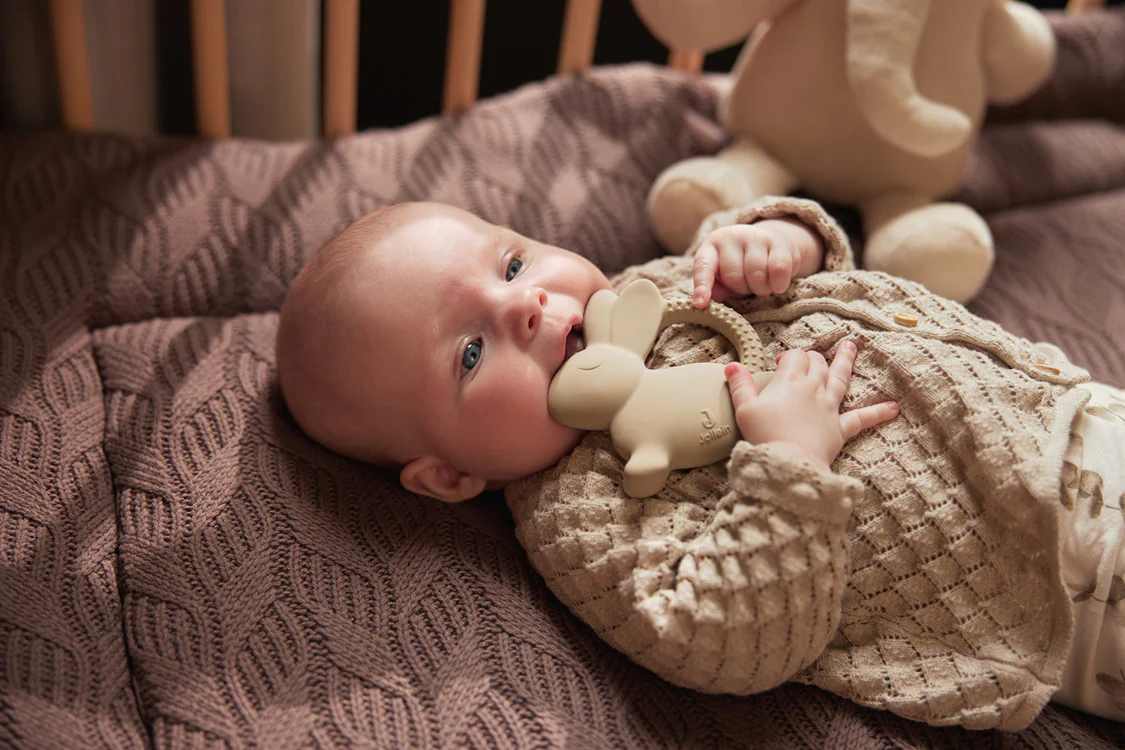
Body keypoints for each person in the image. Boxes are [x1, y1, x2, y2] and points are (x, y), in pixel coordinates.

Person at [276, 196, 1125, 730]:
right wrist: (788, 463)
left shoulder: (652, 286)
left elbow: (819, 273)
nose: (526, 305)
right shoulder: (580, 516)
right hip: (1066, 578)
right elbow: (723, 641)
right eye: (469, 353)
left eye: (511, 262)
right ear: (449, 477)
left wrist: (779, 239)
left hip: (1070, 414)